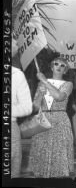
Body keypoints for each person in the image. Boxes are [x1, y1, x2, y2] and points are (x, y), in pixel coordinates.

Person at [29, 57, 74, 178]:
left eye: (62, 65)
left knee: (58, 154)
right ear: (51, 67)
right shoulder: (41, 83)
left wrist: (44, 81)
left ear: (65, 70)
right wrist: (40, 95)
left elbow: (59, 96)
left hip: (60, 120)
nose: (59, 66)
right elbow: (35, 106)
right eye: (56, 64)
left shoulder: (68, 84)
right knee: (41, 152)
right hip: (42, 120)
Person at [11, 38, 33, 178]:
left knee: (12, 172)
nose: (17, 44)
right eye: (13, 41)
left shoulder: (17, 75)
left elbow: (27, 107)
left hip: (10, 125)